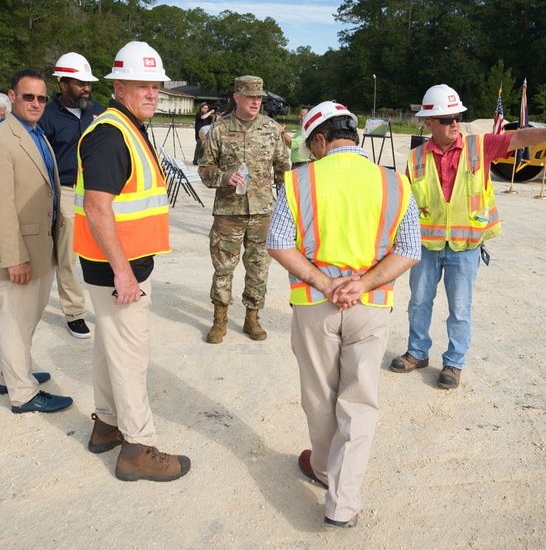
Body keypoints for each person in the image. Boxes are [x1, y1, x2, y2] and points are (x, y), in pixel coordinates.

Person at [266, 100, 421, 529]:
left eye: (310, 144)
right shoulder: (394, 183)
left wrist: (324, 283)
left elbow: (278, 242)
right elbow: (409, 249)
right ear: (353, 135)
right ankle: (343, 504)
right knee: (360, 401)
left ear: (321, 139)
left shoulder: (297, 181)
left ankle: (322, 468)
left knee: (320, 396)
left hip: (316, 306)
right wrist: (363, 284)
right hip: (369, 307)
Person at [390, 84, 546, 388]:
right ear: (428, 123)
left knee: (460, 309)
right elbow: (406, 203)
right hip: (427, 246)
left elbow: (518, 137)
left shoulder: (479, 146)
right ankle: (417, 352)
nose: (455, 124)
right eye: (447, 119)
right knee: (419, 302)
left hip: (466, 247)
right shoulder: (415, 158)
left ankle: (453, 362)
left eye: (457, 117)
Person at [75, 40, 190, 482]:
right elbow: (99, 206)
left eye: (156, 87)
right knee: (130, 356)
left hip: (116, 265)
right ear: (119, 87)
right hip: (117, 269)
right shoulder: (110, 134)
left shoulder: (127, 127)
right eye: (143, 86)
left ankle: (106, 425)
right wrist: (123, 271)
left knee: (110, 348)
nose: (152, 94)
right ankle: (137, 448)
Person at [0, 69, 71, 414]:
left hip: (41, 245)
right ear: (11, 96)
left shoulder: (36, 134)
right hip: (20, 252)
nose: (36, 103)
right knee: (15, 320)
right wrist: (13, 258)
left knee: (28, 317)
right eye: (28, 96)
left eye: (41, 97)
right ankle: (22, 393)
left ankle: (12, 372)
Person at [198, 75, 291, 343]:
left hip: (263, 212)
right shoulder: (218, 129)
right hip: (229, 212)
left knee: (259, 267)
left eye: (260, 97)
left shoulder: (272, 130)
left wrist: (288, 208)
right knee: (223, 268)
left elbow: (284, 170)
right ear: (237, 97)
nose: (256, 102)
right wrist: (225, 177)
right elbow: (205, 170)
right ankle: (220, 320)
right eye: (251, 97)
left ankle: (252, 318)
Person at [38, 52, 106, 339]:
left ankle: (108, 305)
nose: (86, 89)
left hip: (99, 191)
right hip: (66, 191)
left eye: (88, 83)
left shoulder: (99, 111)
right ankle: (75, 312)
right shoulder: (46, 116)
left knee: (105, 250)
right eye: (80, 83)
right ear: (63, 83)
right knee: (68, 256)